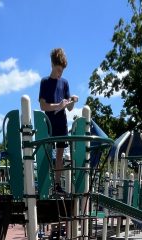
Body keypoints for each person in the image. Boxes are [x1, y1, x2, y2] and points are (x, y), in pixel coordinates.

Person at [39, 48, 78, 193]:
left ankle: (56, 185)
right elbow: (43, 106)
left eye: (62, 70)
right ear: (52, 65)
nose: (60, 73)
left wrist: (72, 100)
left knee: (60, 154)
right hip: (48, 124)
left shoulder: (65, 83)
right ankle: (45, 184)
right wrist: (58, 105)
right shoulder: (45, 82)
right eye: (58, 70)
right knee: (47, 154)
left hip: (62, 123)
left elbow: (69, 109)